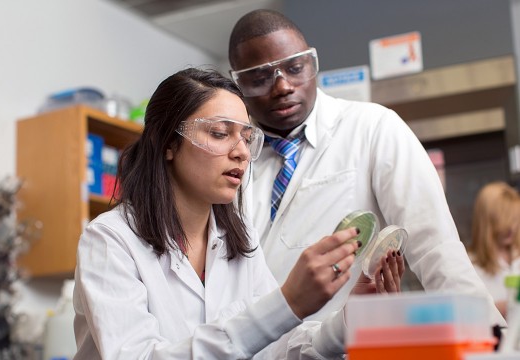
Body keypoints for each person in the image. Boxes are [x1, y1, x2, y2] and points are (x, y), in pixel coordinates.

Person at [72, 68, 402, 359]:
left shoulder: (238, 240)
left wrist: (351, 320)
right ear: (167, 143)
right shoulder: (110, 241)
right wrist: (286, 302)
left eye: (246, 137)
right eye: (220, 133)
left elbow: (279, 349)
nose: (242, 152)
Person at [227, 9, 505, 325]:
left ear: (312, 64)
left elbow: (436, 249)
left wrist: (490, 337)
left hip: (350, 345)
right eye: (260, 79)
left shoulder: (373, 127)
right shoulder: (234, 157)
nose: (282, 87)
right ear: (238, 85)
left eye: (295, 68)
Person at [468, 181, 520, 318]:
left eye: (514, 219)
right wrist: (499, 308)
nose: (511, 228)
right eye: (503, 220)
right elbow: (466, 314)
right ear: (487, 222)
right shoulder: (469, 267)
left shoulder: (516, 257)